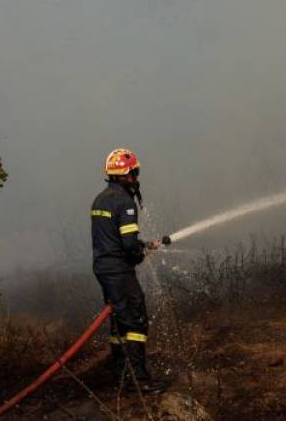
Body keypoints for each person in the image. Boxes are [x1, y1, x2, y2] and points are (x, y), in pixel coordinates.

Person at [91, 148, 166, 392]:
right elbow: (128, 246)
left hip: (104, 268)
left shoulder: (100, 199)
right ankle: (140, 382)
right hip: (119, 272)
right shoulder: (125, 202)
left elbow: (112, 238)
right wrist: (140, 250)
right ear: (125, 174)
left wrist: (141, 245)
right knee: (135, 321)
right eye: (134, 173)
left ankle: (121, 374)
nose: (136, 177)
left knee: (118, 323)